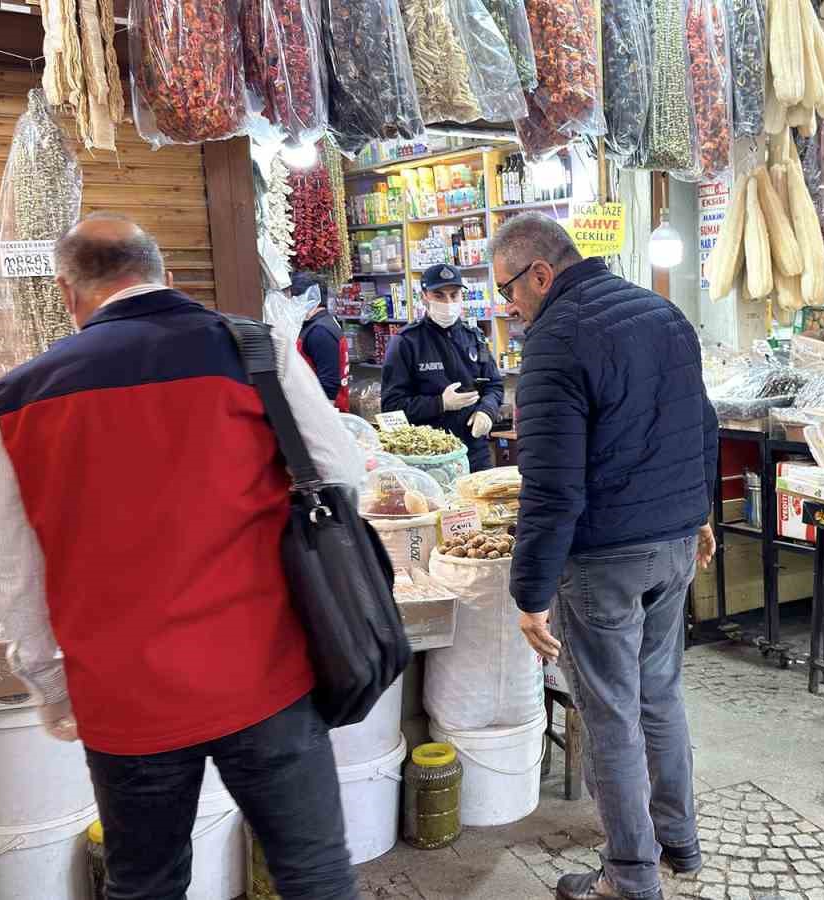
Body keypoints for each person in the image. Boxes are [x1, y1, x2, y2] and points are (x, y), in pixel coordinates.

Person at [0, 213, 365, 900]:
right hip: (265, 671)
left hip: (123, 696)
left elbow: (12, 572)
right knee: (313, 874)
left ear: (70, 294)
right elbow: (340, 480)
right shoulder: (252, 348)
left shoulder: (23, 395)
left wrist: (50, 685)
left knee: (146, 884)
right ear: (163, 274)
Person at [492, 213, 718, 900]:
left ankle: (629, 875)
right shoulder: (664, 313)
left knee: (612, 714)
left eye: (509, 290)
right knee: (661, 695)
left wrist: (528, 593)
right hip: (675, 543)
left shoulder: (554, 341)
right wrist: (700, 513)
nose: (508, 307)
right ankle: (678, 840)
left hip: (605, 561)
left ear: (541, 273)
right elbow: (702, 425)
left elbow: (552, 486)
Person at [381, 263, 504, 471]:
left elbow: (494, 386)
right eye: (439, 295)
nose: (448, 302)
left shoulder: (475, 337)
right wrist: (440, 404)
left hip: (474, 451)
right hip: (429, 457)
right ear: (424, 297)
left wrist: (487, 411)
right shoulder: (406, 342)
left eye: (454, 295)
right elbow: (391, 407)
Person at [290, 270, 351, 412]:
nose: (291, 303)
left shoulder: (320, 331)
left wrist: (322, 418)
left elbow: (328, 383)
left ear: (308, 297)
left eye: (293, 298)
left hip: (325, 413)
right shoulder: (320, 324)